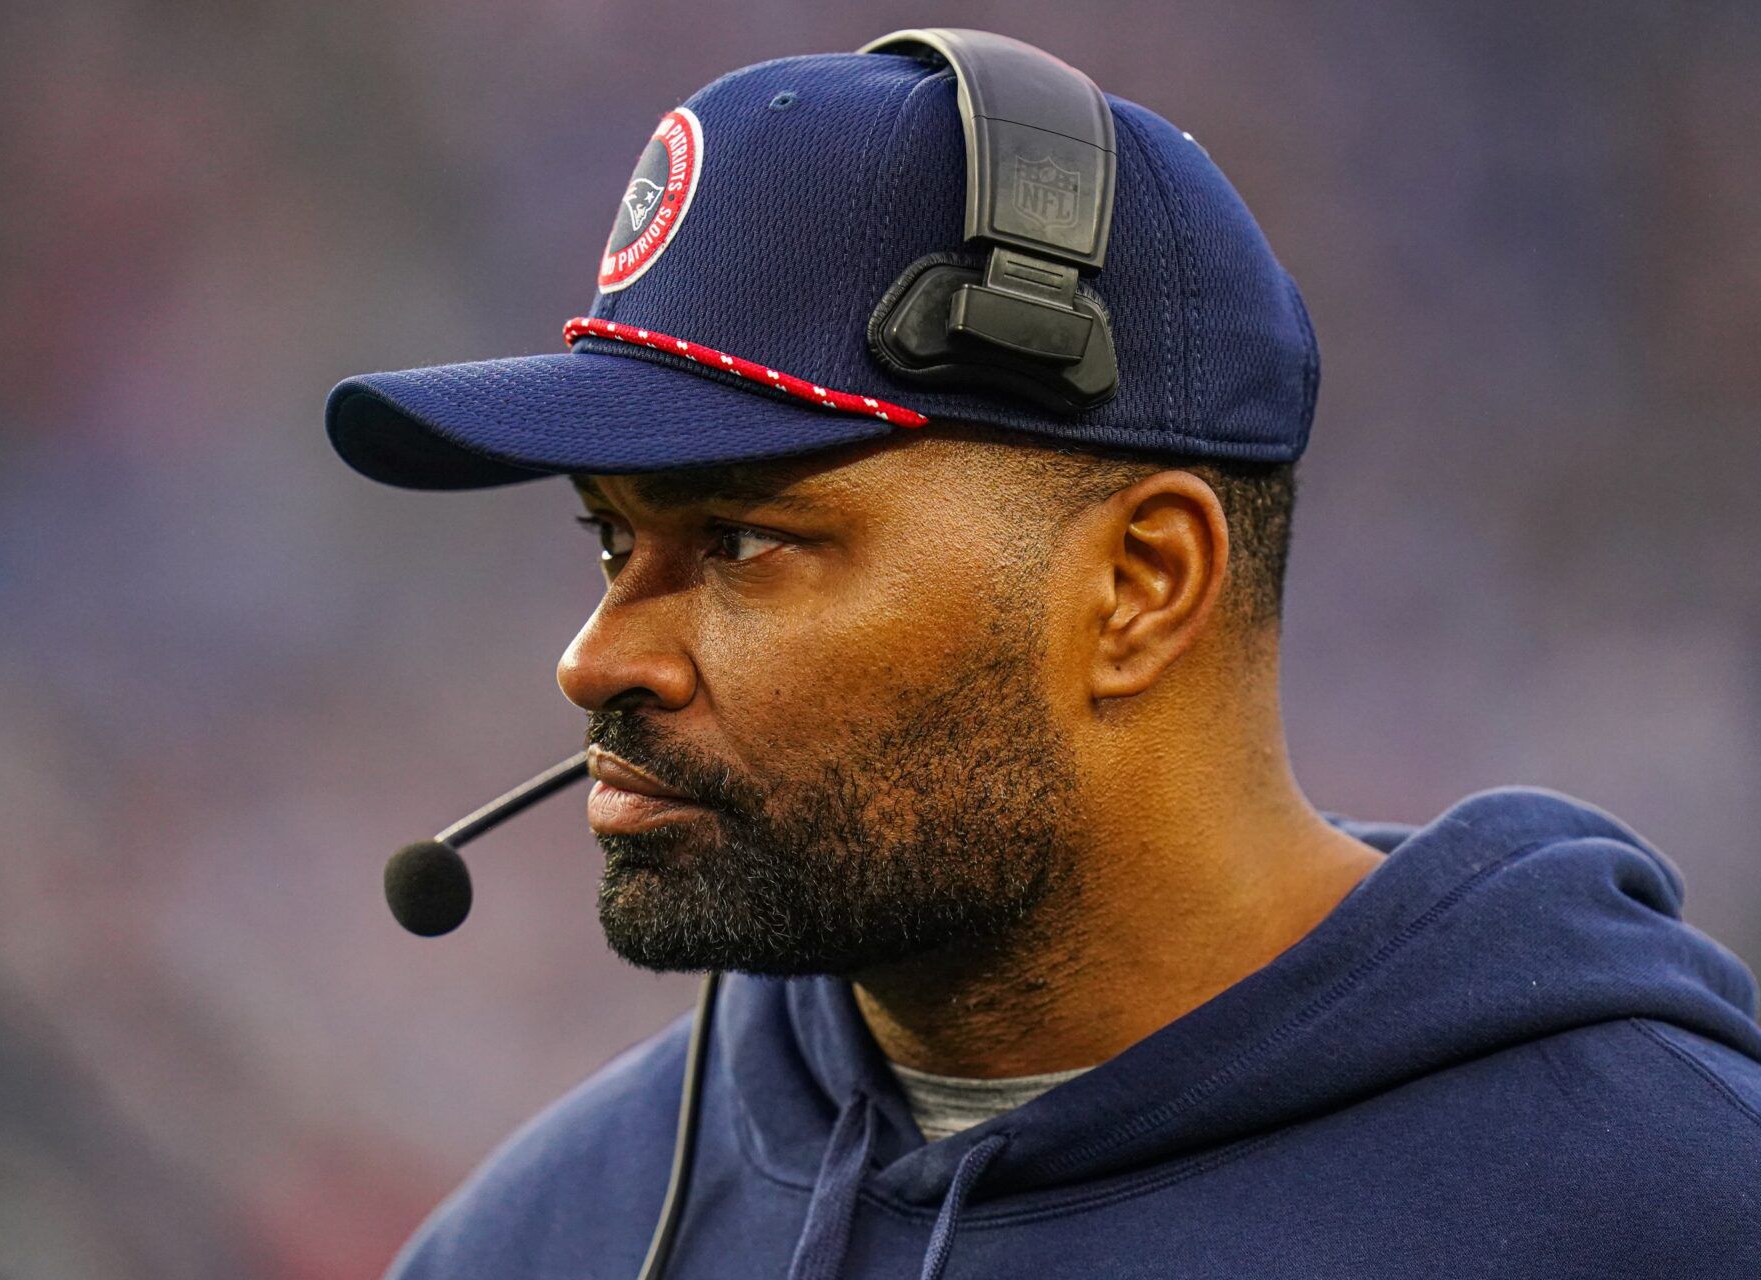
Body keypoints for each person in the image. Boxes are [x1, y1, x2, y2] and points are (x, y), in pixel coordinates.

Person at [325, 30, 1761, 1280]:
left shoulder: (1672, 1209)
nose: (597, 659)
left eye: (749, 541)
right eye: (609, 541)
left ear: (1141, 584)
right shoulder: (540, 1239)